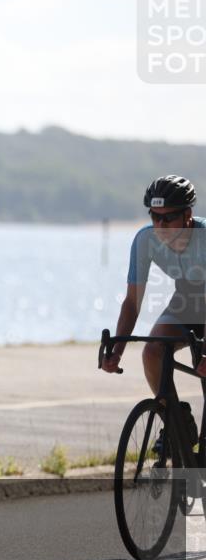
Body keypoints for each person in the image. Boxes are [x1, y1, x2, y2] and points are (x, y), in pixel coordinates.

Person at [101, 174, 206, 445]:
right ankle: (177, 423)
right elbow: (132, 302)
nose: (160, 226)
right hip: (188, 300)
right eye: (154, 217)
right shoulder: (145, 241)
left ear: (188, 216)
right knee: (152, 352)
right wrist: (117, 349)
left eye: (168, 218)